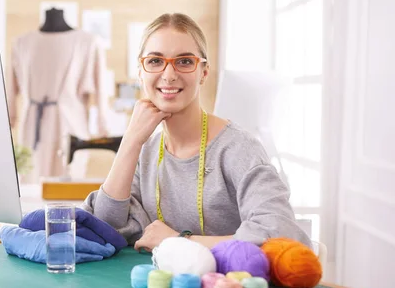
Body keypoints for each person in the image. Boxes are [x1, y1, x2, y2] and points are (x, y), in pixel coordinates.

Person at [81, 13, 312, 252]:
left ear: (203, 72)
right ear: (141, 71)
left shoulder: (238, 149)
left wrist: (179, 241)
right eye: (154, 61)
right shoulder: (146, 151)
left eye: (184, 61)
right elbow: (104, 227)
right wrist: (130, 141)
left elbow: (280, 234)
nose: (169, 75)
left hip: (229, 285)